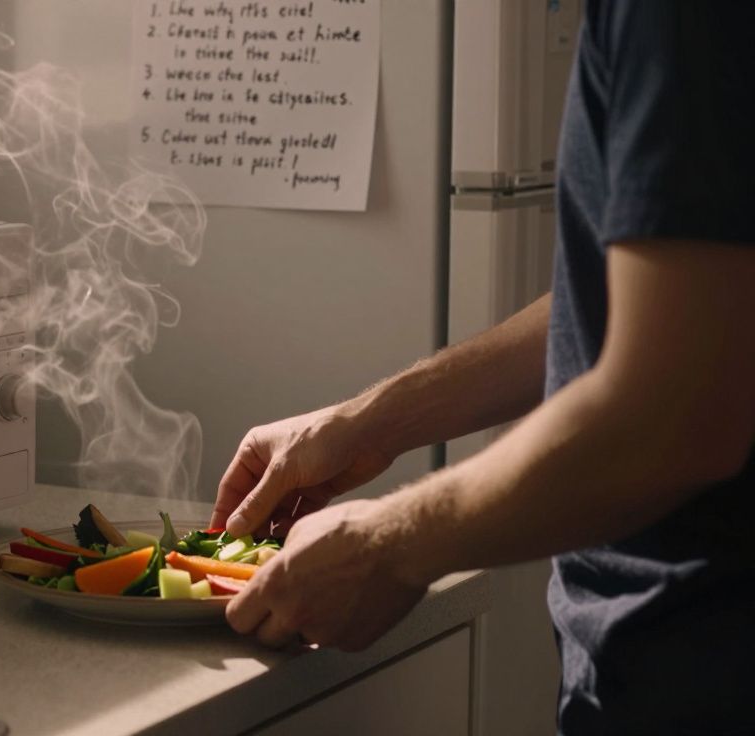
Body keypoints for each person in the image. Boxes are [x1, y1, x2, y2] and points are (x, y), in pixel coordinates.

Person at [210, 3, 755, 732]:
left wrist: (388, 547)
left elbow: (676, 411)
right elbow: (645, 300)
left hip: (705, 675)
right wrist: (371, 421)